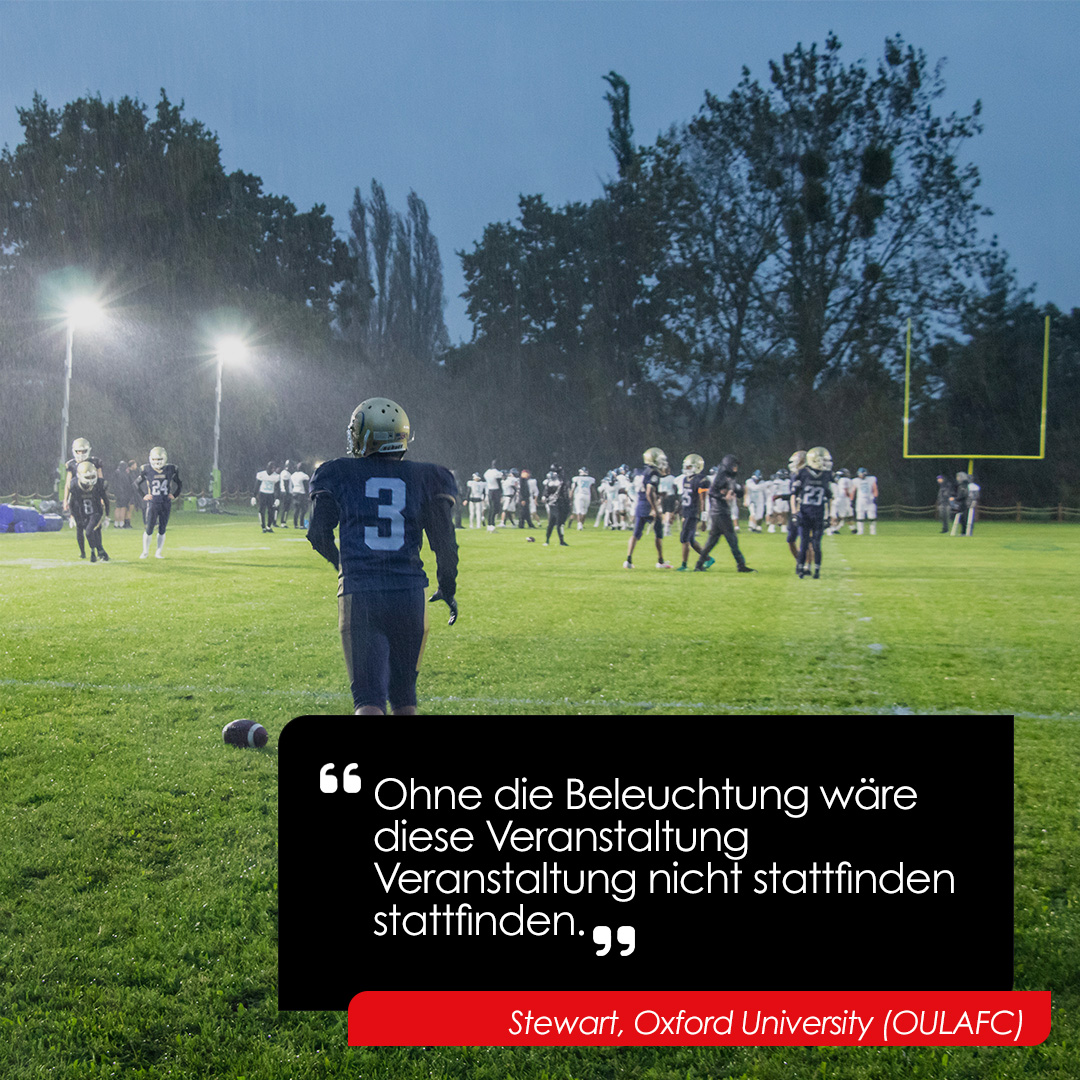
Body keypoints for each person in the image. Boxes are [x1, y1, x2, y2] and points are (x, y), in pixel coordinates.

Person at [307, 397, 458, 717]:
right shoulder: (429, 476)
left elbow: (318, 534)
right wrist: (447, 586)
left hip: (361, 593)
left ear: (365, 435)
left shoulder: (338, 472)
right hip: (409, 594)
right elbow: (445, 544)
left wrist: (342, 563)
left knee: (368, 698)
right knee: (405, 698)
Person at [695, 454, 755, 573]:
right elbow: (711, 492)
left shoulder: (730, 477)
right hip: (720, 512)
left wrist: (741, 490)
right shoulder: (721, 476)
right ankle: (741, 565)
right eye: (734, 465)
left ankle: (699, 564)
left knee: (712, 541)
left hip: (721, 512)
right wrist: (723, 497)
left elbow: (737, 492)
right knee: (732, 539)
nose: (736, 468)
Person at [623, 447, 671, 569]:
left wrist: (659, 494)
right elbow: (649, 491)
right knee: (658, 534)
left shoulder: (640, 471)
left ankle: (628, 560)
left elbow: (644, 490)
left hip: (640, 504)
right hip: (649, 505)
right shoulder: (653, 472)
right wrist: (654, 508)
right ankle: (660, 561)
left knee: (636, 534)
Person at [791, 446, 833, 578]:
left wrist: (829, 515)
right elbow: (794, 494)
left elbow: (829, 497)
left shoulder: (826, 475)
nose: (826, 463)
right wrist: (794, 512)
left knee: (816, 544)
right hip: (805, 514)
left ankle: (816, 570)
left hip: (819, 514)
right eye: (823, 460)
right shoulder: (803, 473)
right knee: (804, 543)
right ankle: (801, 568)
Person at [136, 446, 181, 559]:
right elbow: (136, 484)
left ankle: (158, 552)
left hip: (165, 502)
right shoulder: (146, 469)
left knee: (162, 529)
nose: (157, 462)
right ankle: (145, 551)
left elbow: (179, 483)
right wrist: (144, 495)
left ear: (164, 459)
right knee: (149, 528)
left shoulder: (171, 469)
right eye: (155, 460)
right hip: (153, 503)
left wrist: (174, 495)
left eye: (159, 460)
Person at [70, 460, 110, 562]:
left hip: (96, 512)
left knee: (89, 532)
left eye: (93, 476)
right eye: (88, 477)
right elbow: (72, 502)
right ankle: (100, 552)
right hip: (82, 512)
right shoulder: (75, 485)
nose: (91, 480)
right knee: (89, 533)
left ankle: (93, 552)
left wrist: (107, 516)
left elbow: (106, 500)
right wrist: (73, 516)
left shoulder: (98, 484)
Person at [675, 453, 707, 570]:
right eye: (686, 467)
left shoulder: (701, 480)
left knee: (685, 539)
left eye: (689, 467)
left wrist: (703, 519)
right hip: (687, 512)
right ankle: (708, 558)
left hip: (693, 513)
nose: (686, 469)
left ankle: (684, 565)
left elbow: (703, 501)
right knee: (691, 540)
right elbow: (683, 497)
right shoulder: (685, 479)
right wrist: (677, 511)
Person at [62, 437, 103, 519]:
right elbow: (68, 484)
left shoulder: (94, 462)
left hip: (92, 493)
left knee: (93, 517)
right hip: (78, 494)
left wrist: (102, 497)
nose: (81, 454)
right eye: (78, 451)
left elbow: (100, 481)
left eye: (83, 451)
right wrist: (65, 499)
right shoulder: (71, 464)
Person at [543, 465, 571, 546]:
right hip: (559, 503)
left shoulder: (549, 479)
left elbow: (546, 492)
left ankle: (547, 540)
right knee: (559, 523)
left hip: (552, 503)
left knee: (551, 523)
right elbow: (565, 493)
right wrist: (568, 502)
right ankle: (561, 541)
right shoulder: (561, 481)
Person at [253, 462, 280, 533]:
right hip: (262, 494)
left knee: (271, 511)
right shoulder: (261, 474)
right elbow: (257, 485)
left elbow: (277, 488)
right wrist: (254, 496)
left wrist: (277, 498)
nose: (273, 470)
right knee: (262, 510)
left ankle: (269, 526)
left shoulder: (276, 476)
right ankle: (263, 526)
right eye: (272, 468)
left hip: (271, 495)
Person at [853, 467, 879, 535]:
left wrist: (875, 496)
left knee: (872, 516)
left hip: (870, 499)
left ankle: (873, 531)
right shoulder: (856, 480)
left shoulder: (871, 479)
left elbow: (875, 488)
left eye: (861, 474)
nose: (860, 475)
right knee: (860, 516)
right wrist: (851, 499)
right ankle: (860, 531)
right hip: (860, 500)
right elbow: (853, 490)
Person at [111, 459, 134, 528]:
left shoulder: (116, 472)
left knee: (117, 508)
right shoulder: (125, 474)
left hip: (117, 493)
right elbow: (127, 484)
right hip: (124, 493)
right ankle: (121, 523)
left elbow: (114, 483)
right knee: (123, 508)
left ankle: (116, 523)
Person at [483, 460, 503, 532]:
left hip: (490, 491)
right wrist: (501, 493)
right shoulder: (497, 473)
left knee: (492, 508)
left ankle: (489, 524)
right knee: (495, 509)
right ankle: (492, 524)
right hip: (496, 491)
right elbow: (499, 484)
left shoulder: (487, 472)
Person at [290, 462, 311, 528]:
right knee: (303, 509)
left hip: (294, 492)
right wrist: (308, 495)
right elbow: (306, 486)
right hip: (302, 493)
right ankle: (302, 524)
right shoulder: (304, 476)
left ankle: (295, 524)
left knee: (296, 509)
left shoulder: (293, 475)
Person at [278, 460, 293, 527]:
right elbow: (286, 484)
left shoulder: (287, 473)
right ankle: (283, 522)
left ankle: (283, 521)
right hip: (285, 492)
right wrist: (287, 494)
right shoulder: (285, 473)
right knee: (285, 508)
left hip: (286, 492)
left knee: (286, 508)